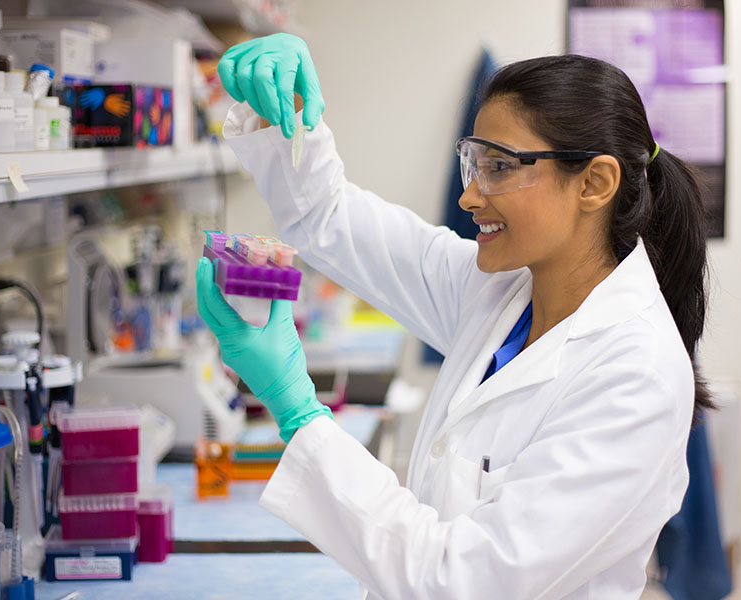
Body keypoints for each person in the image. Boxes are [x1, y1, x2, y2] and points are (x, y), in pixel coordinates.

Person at [196, 33, 709, 599]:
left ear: (594, 183)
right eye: (474, 164)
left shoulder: (637, 375)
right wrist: (284, 117)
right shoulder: (497, 292)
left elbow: (463, 583)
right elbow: (329, 219)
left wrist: (299, 412)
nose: (470, 196)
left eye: (500, 167)